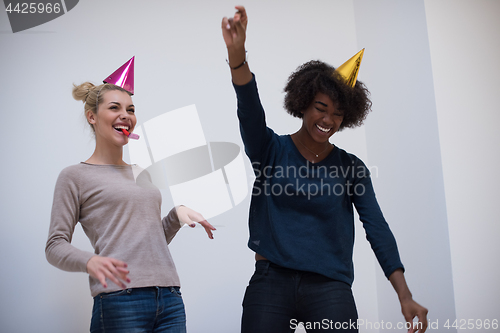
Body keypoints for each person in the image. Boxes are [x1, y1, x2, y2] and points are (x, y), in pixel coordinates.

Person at [221, 6, 428, 333]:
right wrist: (237, 56)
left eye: (338, 113)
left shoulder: (352, 169)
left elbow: (377, 228)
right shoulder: (270, 150)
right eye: (321, 108)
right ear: (303, 103)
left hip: (330, 287)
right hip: (271, 280)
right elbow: (249, 109)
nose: (328, 120)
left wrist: (404, 294)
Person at [45, 64, 216, 333]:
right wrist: (90, 261)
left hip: (170, 298)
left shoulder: (142, 174)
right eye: (115, 108)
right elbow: (54, 246)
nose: (125, 115)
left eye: (131, 110)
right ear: (92, 116)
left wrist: (176, 216)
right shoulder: (74, 176)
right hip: (119, 300)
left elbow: (145, 240)